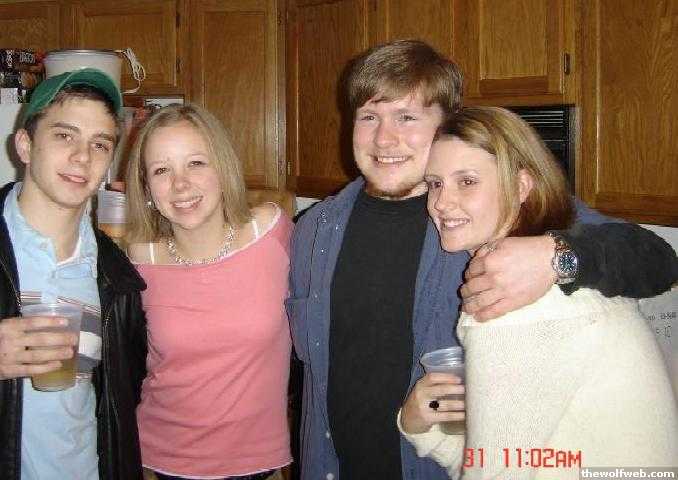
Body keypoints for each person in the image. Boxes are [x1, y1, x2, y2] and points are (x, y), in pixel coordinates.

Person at [286, 39, 678, 480]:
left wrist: (556, 255)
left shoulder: (489, 221)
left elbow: (658, 260)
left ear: (447, 124)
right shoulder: (314, 231)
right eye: (369, 116)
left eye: (407, 117)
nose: (384, 138)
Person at [399, 106, 678, 478]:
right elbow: (519, 461)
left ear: (521, 186)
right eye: (435, 183)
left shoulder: (518, 303)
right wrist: (420, 427)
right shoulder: (550, 280)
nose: (441, 203)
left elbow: (661, 259)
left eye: (467, 181)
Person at [124, 103, 293, 480]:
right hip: (158, 461)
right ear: (147, 188)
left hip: (261, 462)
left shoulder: (271, 232)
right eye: (162, 170)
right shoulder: (138, 261)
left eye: (196, 163)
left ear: (222, 168)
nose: (180, 184)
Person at [0, 69, 148, 479]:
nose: (83, 157)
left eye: (99, 144)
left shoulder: (117, 278)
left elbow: (118, 404)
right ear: (25, 145)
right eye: (65, 136)